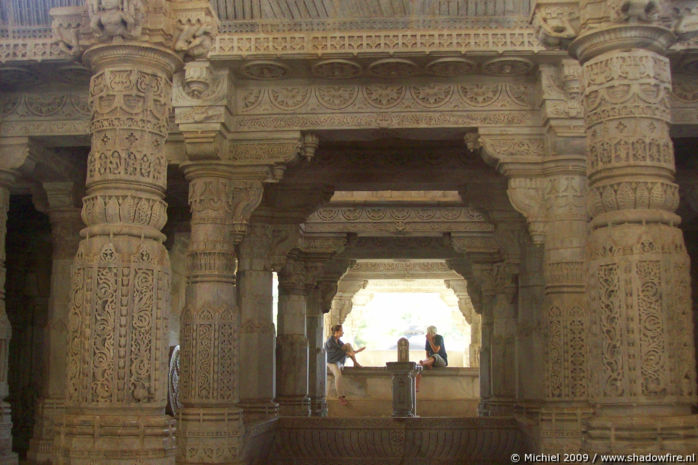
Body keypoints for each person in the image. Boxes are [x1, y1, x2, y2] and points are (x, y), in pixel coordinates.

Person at [324, 324, 365, 406]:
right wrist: (350, 353)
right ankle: (340, 397)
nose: (342, 333)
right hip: (331, 362)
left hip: (337, 361)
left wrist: (352, 352)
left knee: (348, 345)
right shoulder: (330, 341)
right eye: (341, 331)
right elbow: (337, 352)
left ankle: (355, 363)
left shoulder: (338, 341)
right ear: (336, 332)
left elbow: (344, 350)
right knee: (338, 375)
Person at [416, 325, 448, 392]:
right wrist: (428, 362)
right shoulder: (427, 340)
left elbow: (436, 350)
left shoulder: (439, 337)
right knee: (419, 366)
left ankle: (424, 362)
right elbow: (427, 352)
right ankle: (416, 386)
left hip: (441, 360)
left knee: (435, 355)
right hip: (431, 360)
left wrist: (430, 340)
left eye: (431, 332)